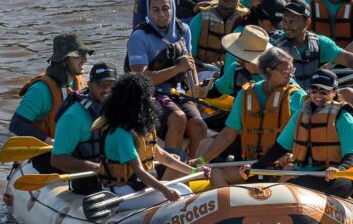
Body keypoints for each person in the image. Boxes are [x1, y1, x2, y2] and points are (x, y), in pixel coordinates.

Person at [198, 47, 306, 187]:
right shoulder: (247, 93)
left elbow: (308, 135)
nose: (290, 75)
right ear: (268, 71)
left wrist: (294, 154)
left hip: (283, 165)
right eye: (286, 71)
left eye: (292, 71)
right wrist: (202, 160)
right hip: (251, 165)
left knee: (291, 170)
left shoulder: (297, 96)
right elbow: (228, 135)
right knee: (217, 173)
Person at [95, 73, 206, 209]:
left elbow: (165, 158)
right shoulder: (121, 133)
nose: (152, 100)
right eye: (148, 98)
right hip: (120, 192)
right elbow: (139, 171)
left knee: (184, 189)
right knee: (182, 195)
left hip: (137, 185)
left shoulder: (143, 128)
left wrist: (193, 171)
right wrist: (165, 191)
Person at [250, 69, 353, 199]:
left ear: (334, 92)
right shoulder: (300, 114)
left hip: (335, 178)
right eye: (314, 90)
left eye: (323, 91)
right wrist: (256, 166)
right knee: (293, 184)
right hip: (304, 175)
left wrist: (340, 169)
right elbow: (280, 147)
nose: (317, 95)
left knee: (301, 185)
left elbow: (351, 155)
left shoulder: (343, 118)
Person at [126, 0, 207, 160]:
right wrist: (177, 68)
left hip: (177, 92)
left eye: (165, 8)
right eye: (155, 10)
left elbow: (189, 61)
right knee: (178, 118)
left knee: (199, 126)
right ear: (149, 11)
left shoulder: (183, 29)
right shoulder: (139, 37)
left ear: (172, 9)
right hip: (151, 95)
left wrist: (196, 89)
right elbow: (142, 78)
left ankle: (193, 168)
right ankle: (169, 171)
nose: (161, 14)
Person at [10, 33, 93, 173]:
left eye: (85, 55)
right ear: (63, 60)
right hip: (48, 155)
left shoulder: (81, 83)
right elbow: (16, 124)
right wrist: (49, 140)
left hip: (75, 150)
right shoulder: (40, 91)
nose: (85, 59)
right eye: (79, 55)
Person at [272, 0, 353, 104]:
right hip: (285, 100)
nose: (286, 26)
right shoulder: (273, 44)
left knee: (350, 94)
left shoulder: (320, 43)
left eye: (292, 22)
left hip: (311, 98)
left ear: (307, 22)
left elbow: (346, 58)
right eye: (284, 21)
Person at [50, 63, 118, 195]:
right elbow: (57, 159)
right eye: (102, 85)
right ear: (90, 84)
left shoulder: (120, 108)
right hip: (88, 186)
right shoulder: (73, 117)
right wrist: (99, 168)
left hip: (119, 180)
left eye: (112, 85)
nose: (108, 89)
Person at [209, 0, 286, 99]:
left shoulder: (275, 34)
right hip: (237, 92)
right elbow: (228, 77)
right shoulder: (242, 34)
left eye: (277, 24)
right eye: (271, 23)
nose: (274, 27)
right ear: (260, 18)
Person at [189, 0, 248, 67]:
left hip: (233, 71)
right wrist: (210, 67)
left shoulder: (247, 21)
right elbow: (189, 55)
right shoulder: (200, 18)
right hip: (202, 70)